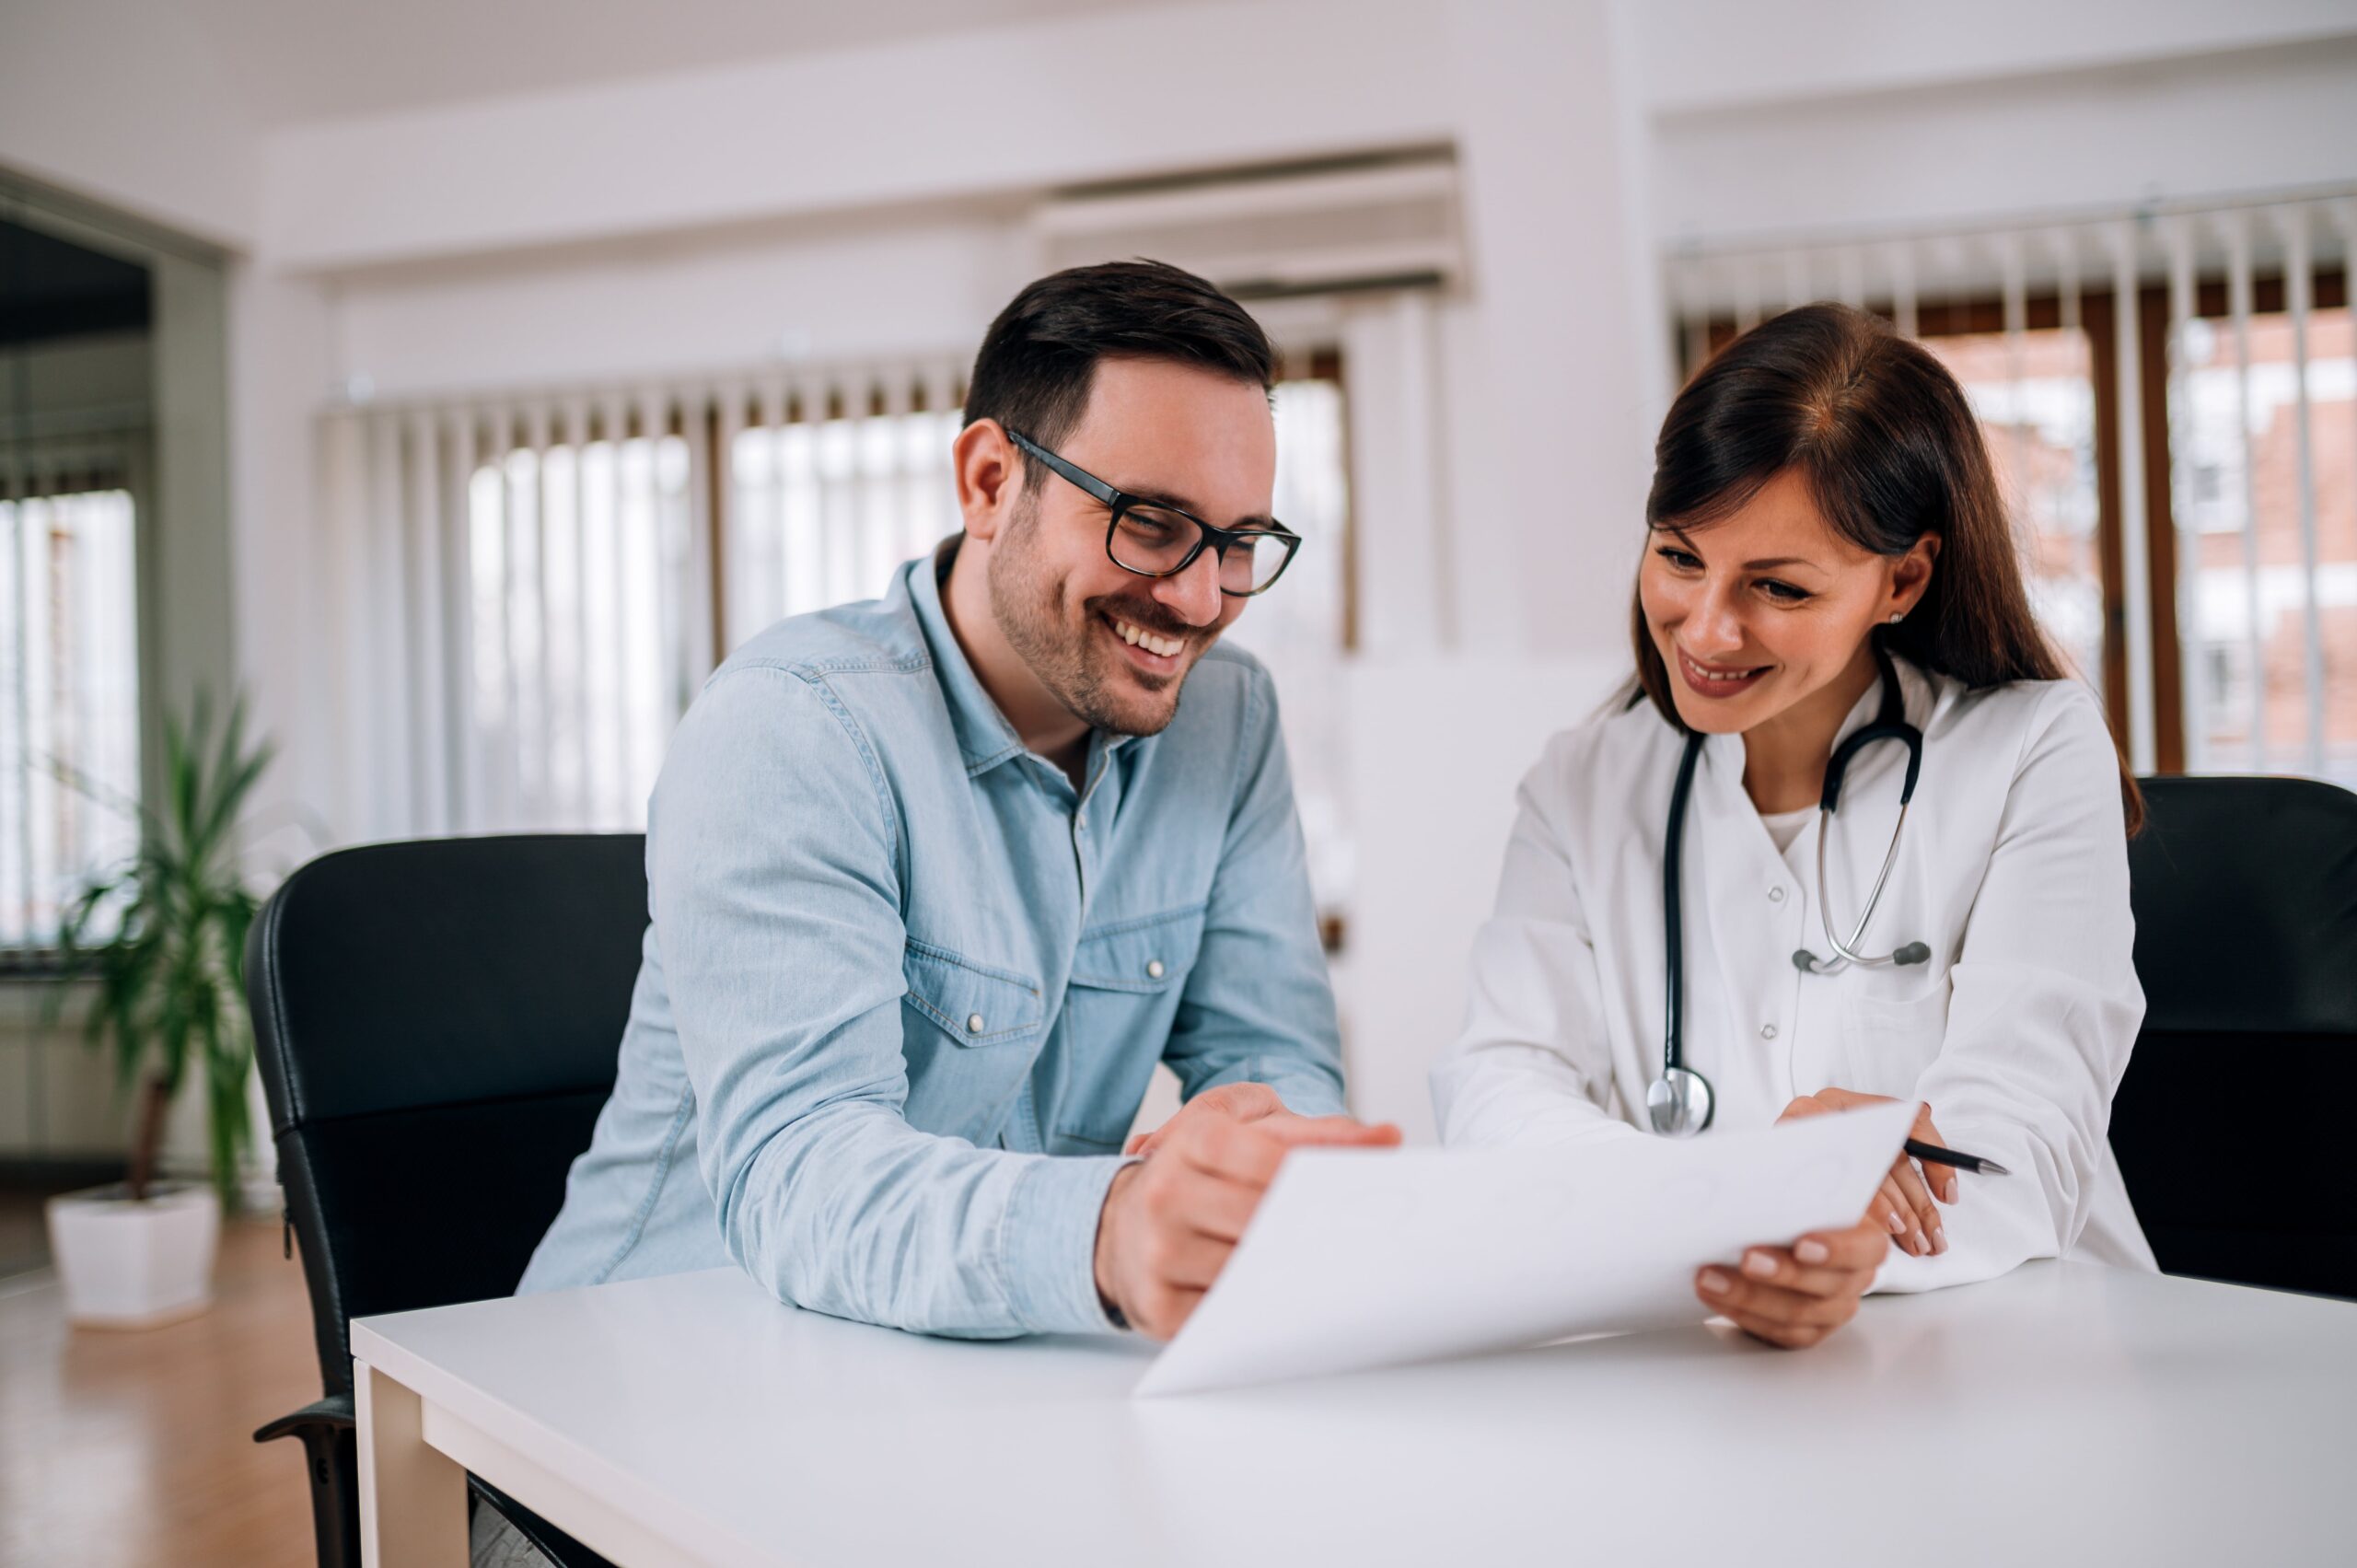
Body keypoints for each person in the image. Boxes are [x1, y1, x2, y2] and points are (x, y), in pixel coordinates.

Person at [517, 259, 1399, 1351]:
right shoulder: (792, 730)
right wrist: (1108, 1230)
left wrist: (1255, 1150)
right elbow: (805, 1168)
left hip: (963, 1382)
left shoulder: (1227, 720)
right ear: (988, 481)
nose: (1199, 596)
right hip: (628, 1400)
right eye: (1150, 522)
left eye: (1238, 542)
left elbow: (1280, 1061)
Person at [1431, 302, 2155, 1350]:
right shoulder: (1584, 781)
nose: (1708, 628)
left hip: (2009, 1350)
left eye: (1776, 585)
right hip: (1705, 1362)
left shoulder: (2030, 751)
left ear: (1901, 578)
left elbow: (2025, 1140)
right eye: (1679, 558)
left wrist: (1846, 1236)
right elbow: (1497, 1084)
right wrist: (1729, 1205)